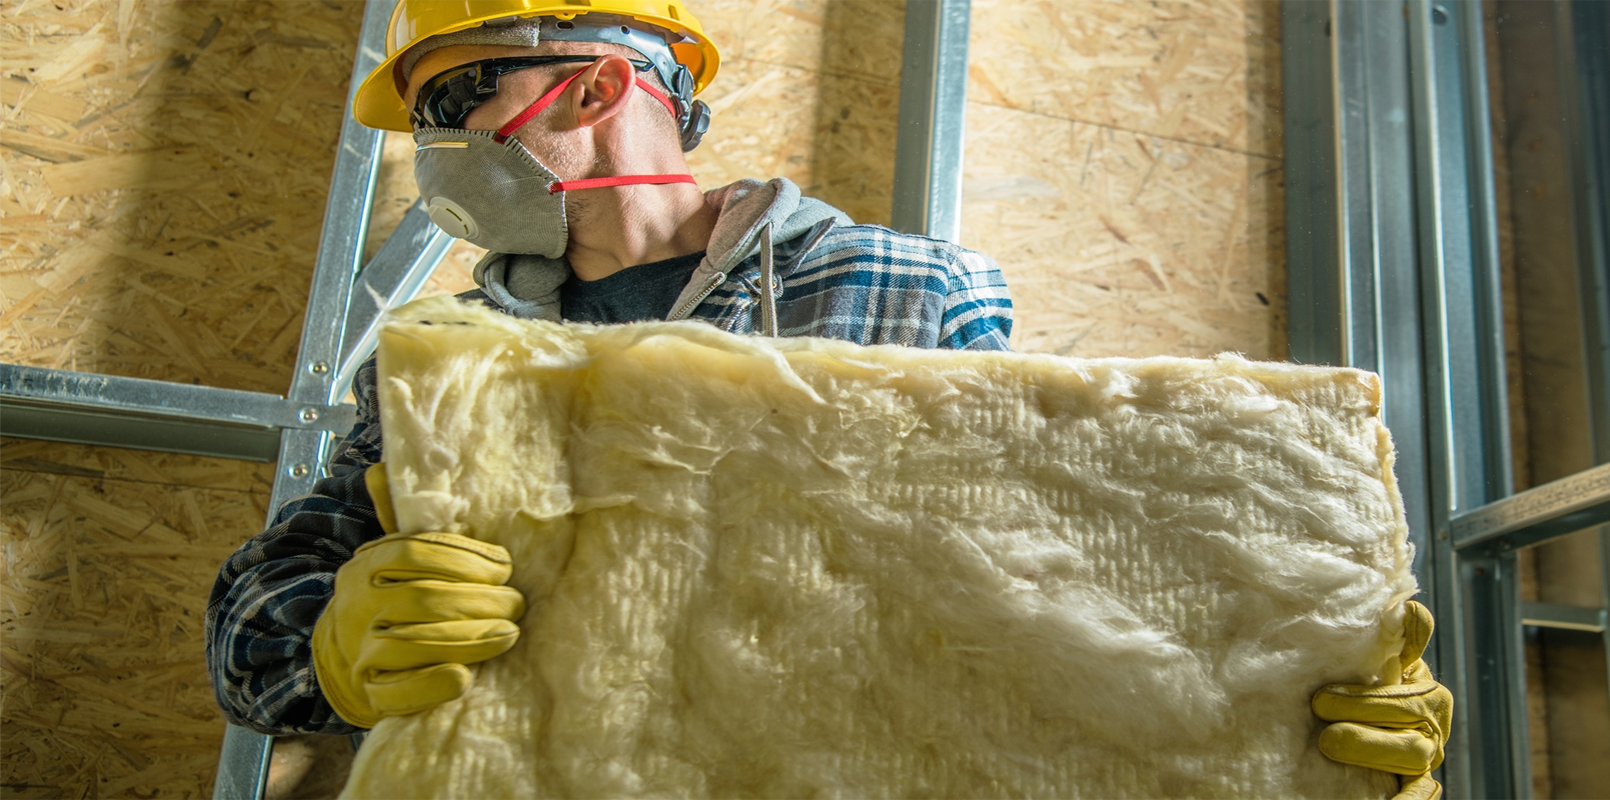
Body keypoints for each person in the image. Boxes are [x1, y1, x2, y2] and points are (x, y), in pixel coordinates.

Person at [204, 2, 1449, 797]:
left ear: (587, 88)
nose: (434, 148)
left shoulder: (904, 289)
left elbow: (1040, 575)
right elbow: (250, 620)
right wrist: (326, 639)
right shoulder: (452, 348)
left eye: (447, 103)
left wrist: (1291, 699)